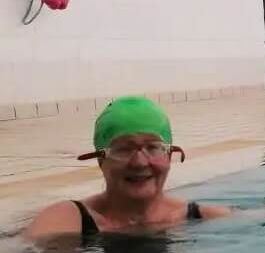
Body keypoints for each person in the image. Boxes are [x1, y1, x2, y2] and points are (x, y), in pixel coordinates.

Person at [25, 96, 229, 243]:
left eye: (153, 147)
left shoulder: (204, 217)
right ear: (100, 161)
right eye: (122, 149)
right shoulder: (68, 220)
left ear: (169, 155)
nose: (139, 162)